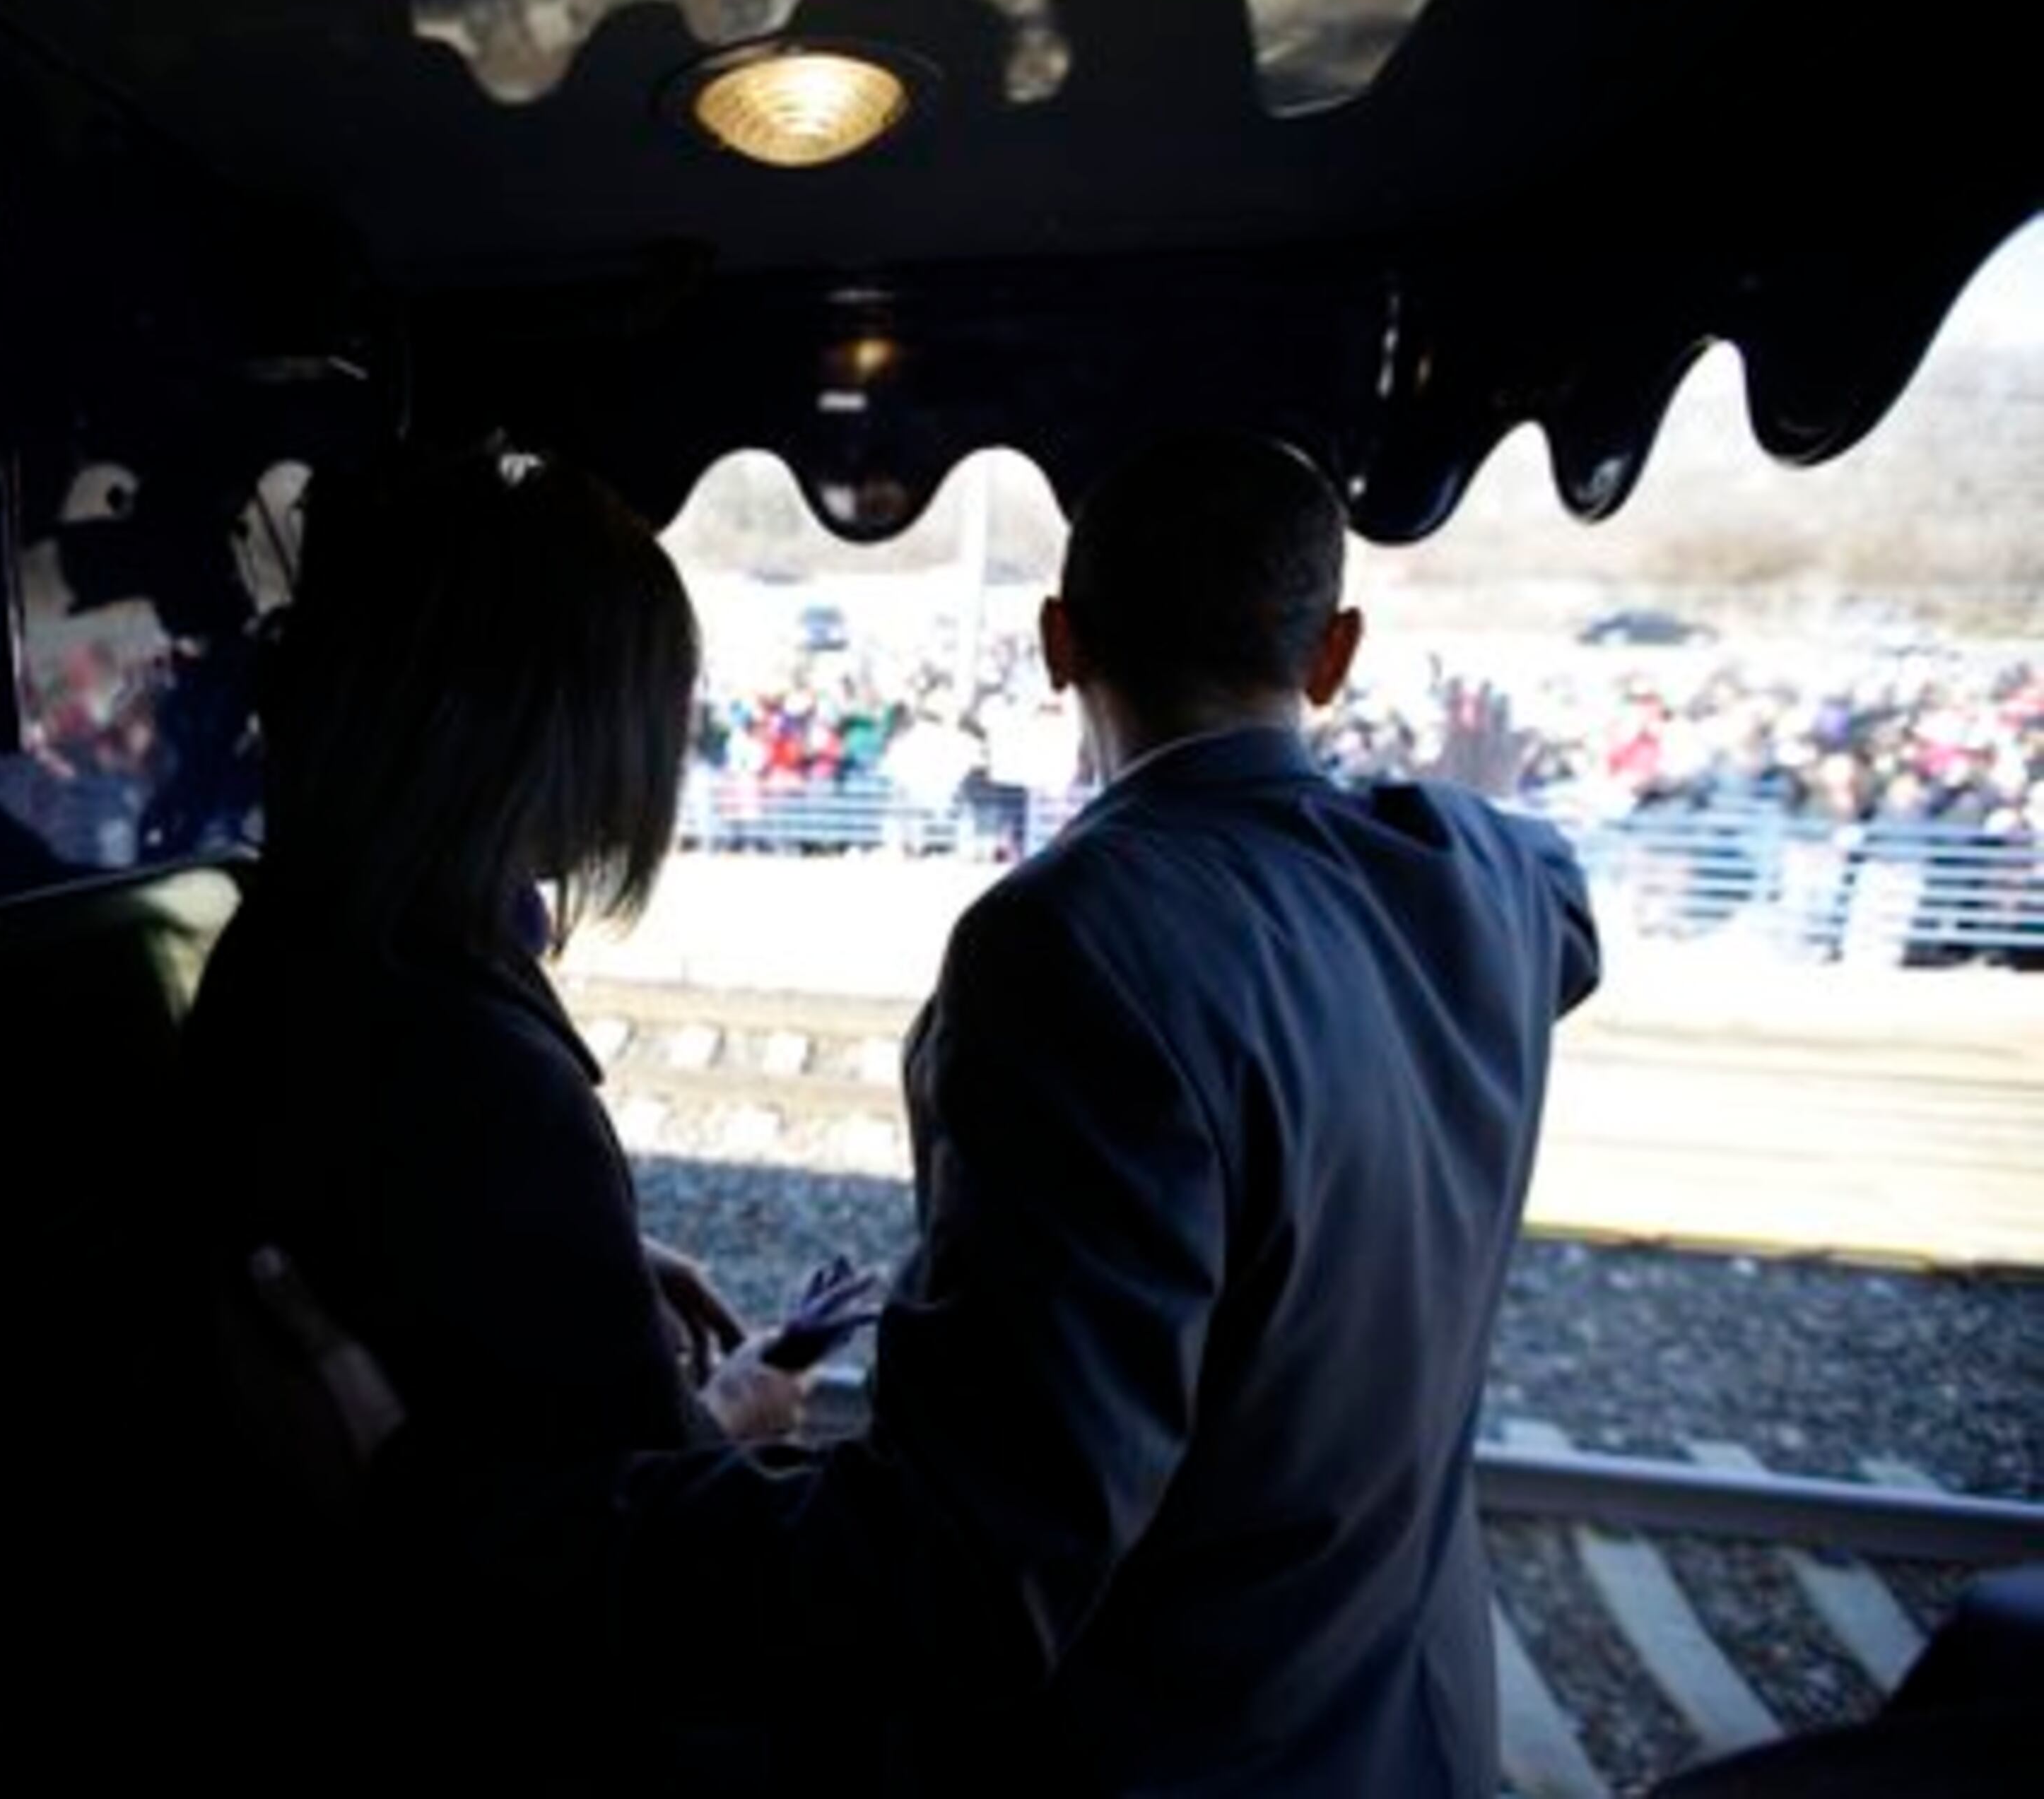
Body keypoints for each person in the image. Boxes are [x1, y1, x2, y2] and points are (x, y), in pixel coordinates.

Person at [237, 431, 1606, 1795]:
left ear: (1062, 642)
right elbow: (1556, 925)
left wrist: (414, 1495)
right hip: (1413, 1736)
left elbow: (965, 1580)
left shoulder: (1076, 945)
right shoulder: (1497, 880)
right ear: (1333, 654)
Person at [106, 444, 814, 1789]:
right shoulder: (472, 1062)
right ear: (547, 722)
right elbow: (608, 1574)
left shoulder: (304, 947)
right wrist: (724, 1413)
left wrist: (586, 1258)